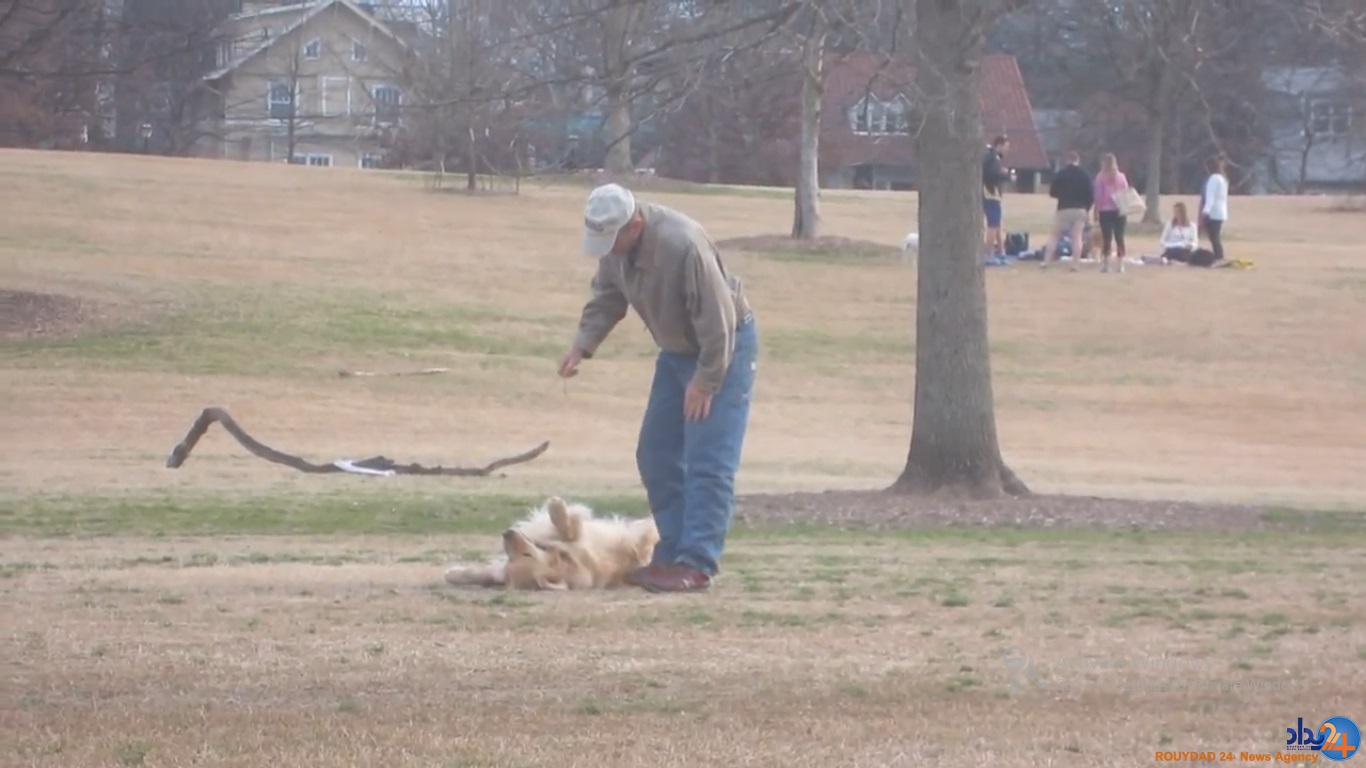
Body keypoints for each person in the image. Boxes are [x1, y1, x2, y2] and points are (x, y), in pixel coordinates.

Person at [558, 183, 758, 594]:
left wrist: (705, 381)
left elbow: (718, 322)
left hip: (722, 349)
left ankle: (696, 563)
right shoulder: (617, 252)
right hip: (674, 352)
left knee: (708, 460)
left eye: (612, 239)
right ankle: (671, 551)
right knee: (655, 453)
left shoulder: (683, 245)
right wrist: (583, 344)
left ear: (635, 225)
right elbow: (608, 297)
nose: (607, 249)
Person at [1040, 150, 1094, 271]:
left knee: (1054, 236)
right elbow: (1091, 195)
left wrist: (1061, 195)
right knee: (1077, 237)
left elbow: (1052, 192)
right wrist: (1086, 208)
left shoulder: (1061, 174)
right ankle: (1075, 264)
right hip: (1080, 209)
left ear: (1067, 160)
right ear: (1078, 160)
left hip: (1064, 208)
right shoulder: (1085, 175)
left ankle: (1046, 262)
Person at [1092, 152, 1132, 274]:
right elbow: (1125, 192)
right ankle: (1120, 265)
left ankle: (1106, 264)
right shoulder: (1121, 177)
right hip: (1119, 210)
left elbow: (1098, 195)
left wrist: (1096, 210)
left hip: (1105, 210)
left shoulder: (1100, 177)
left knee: (1107, 237)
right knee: (1120, 237)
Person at [981, 135, 1012, 259]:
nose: (1007, 150)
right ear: (999, 145)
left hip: (991, 192)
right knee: (993, 224)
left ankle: (1001, 251)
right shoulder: (993, 159)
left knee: (997, 224)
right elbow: (993, 175)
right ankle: (989, 254)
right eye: (1006, 147)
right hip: (991, 193)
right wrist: (1007, 176)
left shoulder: (991, 157)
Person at [1201, 155, 1229, 264]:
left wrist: (1206, 211)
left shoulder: (1213, 178)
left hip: (1213, 212)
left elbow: (1210, 197)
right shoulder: (1223, 178)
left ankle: (1219, 257)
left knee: (1214, 237)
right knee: (1215, 236)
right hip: (1221, 211)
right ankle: (1218, 256)